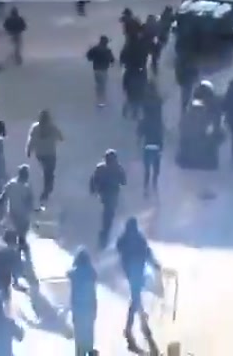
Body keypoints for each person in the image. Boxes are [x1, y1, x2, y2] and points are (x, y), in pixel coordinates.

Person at [115, 217, 162, 346]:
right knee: (135, 298)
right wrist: (155, 264)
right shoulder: (140, 238)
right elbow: (147, 252)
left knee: (136, 297)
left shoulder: (124, 238)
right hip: (138, 271)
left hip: (130, 272)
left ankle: (142, 323)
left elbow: (118, 247)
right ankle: (130, 328)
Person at [89, 149, 127, 248]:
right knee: (110, 216)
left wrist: (93, 191)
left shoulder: (100, 168)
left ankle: (104, 237)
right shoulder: (118, 168)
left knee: (107, 216)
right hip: (113, 195)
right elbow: (124, 182)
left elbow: (93, 180)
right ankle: (106, 237)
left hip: (103, 195)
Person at [0, 164, 35, 259]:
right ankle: (20, 252)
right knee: (21, 235)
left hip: (13, 214)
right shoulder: (26, 187)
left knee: (16, 235)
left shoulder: (11, 184)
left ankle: (17, 252)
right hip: (22, 215)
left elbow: (3, 196)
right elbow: (29, 201)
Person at [26, 110, 64, 205]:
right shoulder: (51, 127)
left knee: (48, 173)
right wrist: (29, 150)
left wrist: (29, 150)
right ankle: (46, 193)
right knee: (48, 173)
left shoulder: (36, 127)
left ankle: (46, 192)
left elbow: (31, 140)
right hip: (48, 154)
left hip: (43, 154)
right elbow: (61, 138)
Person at [68, 249, 99, 356]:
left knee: (79, 336)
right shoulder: (91, 273)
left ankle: (80, 353)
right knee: (89, 334)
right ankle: (90, 352)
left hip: (78, 309)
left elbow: (68, 273)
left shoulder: (74, 274)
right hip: (90, 308)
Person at [137, 93, 165, 196]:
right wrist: (162, 146)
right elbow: (161, 135)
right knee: (156, 169)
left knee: (147, 169)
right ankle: (154, 184)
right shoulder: (158, 122)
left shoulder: (145, 121)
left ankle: (146, 187)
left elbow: (139, 133)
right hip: (156, 147)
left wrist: (138, 142)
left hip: (147, 146)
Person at [85, 36, 115, 107]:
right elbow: (112, 60)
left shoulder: (94, 49)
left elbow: (89, 57)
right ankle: (102, 101)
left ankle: (99, 100)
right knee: (103, 85)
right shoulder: (107, 50)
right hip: (104, 70)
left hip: (96, 70)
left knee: (99, 85)